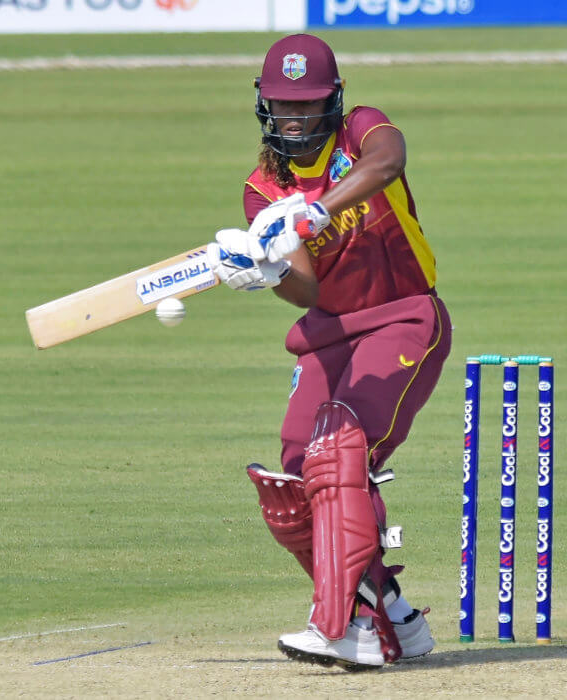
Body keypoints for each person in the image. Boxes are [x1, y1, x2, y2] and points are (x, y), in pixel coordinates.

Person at [206, 34, 452, 670]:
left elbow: (388, 165)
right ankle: (390, 612)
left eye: (309, 105)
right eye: (285, 106)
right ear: (264, 106)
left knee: (340, 449)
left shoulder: (362, 133)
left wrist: (313, 214)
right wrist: (264, 272)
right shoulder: (263, 189)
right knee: (294, 482)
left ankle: (343, 626)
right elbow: (305, 288)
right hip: (328, 330)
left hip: (403, 315)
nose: (296, 118)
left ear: (333, 102)